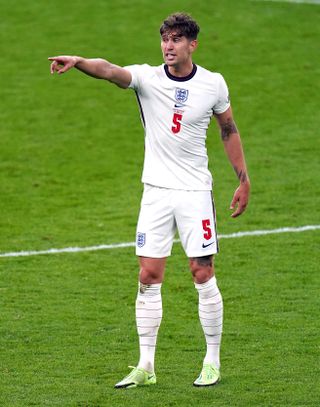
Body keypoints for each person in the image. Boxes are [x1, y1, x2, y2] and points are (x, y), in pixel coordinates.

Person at [48, 12, 250, 389]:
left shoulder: (213, 84)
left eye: (176, 40)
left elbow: (229, 130)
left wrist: (243, 179)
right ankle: (146, 366)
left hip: (194, 193)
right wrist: (78, 62)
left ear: (192, 44)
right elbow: (109, 70)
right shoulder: (147, 77)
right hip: (155, 193)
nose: (168, 47)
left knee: (202, 273)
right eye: (164, 39)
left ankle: (212, 360)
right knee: (148, 276)